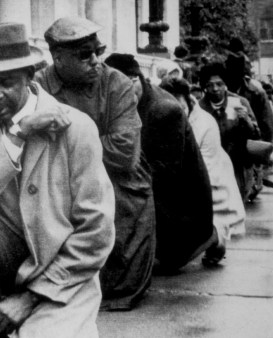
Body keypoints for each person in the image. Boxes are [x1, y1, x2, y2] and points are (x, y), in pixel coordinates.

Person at [0, 22, 115, 338]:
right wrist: (19, 132)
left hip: (60, 271)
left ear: (30, 75)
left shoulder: (76, 127)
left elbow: (96, 232)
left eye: (5, 82)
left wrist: (30, 297)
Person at [34, 17, 155, 310]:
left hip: (116, 178)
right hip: (58, 178)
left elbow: (125, 152)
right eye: (84, 55)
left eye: (97, 51)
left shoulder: (117, 83)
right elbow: (30, 145)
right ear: (58, 58)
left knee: (119, 280)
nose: (96, 61)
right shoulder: (38, 86)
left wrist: (69, 145)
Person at [105, 53, 215, 271]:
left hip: (179, 203)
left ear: (135, 79)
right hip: (150, 182)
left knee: (167, 264)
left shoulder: (163, 109)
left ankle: (211, 237)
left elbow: (167, 172)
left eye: (119, 86)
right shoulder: (128, 101)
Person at [160, 77, 247, 266]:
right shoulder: (164, 118)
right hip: (182, 179)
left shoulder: (205, 124)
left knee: (176, 259)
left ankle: (215, 236)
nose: (176, 114)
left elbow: (200, 173)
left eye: (180, 108)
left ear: (189, 102)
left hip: (208, 180)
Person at [198, 62, 261, 203]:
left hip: (237, 167)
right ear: (204, 86)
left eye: (219, 84)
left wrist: (247, 121)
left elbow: (256, 135)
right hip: (210, 168)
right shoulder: (199, 107)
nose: (215, 89)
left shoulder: (240, 102)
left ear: (225, 83)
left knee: (236, 206)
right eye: (210, 85)